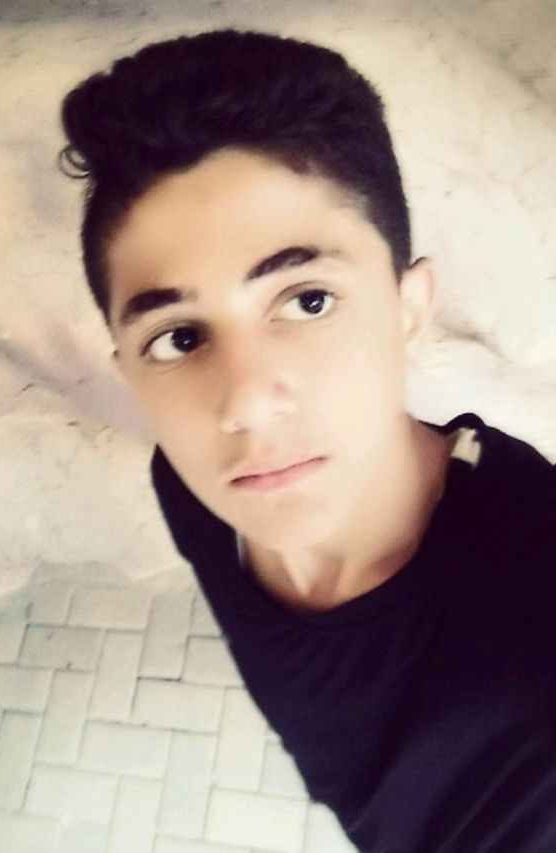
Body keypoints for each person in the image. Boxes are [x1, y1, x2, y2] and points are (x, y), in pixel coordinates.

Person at [58, 29, 556, 852]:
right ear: (128, 370)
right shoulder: (193, 493)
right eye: (179, 338)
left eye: (307, 300)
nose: (247, 404)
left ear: (409, 310)